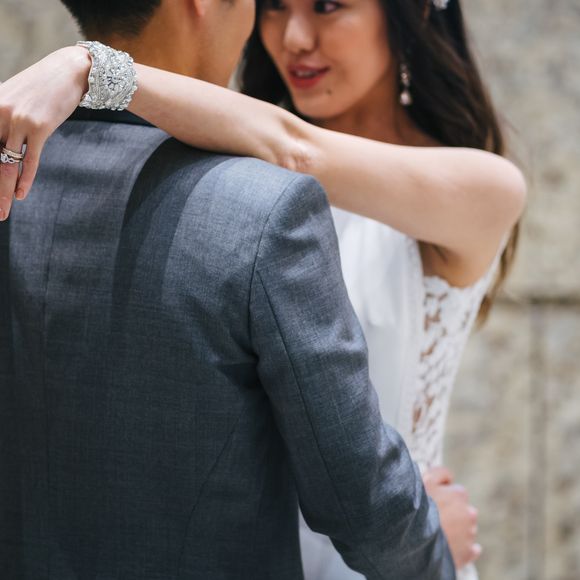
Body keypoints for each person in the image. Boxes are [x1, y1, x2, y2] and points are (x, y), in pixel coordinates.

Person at [0, 0, 526, 579]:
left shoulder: (485, 186)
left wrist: (88, 66)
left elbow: (297, 149)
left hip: (396, 554)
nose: (294, 37)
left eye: (328, 6)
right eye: (274, 6)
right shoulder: (239, 169)